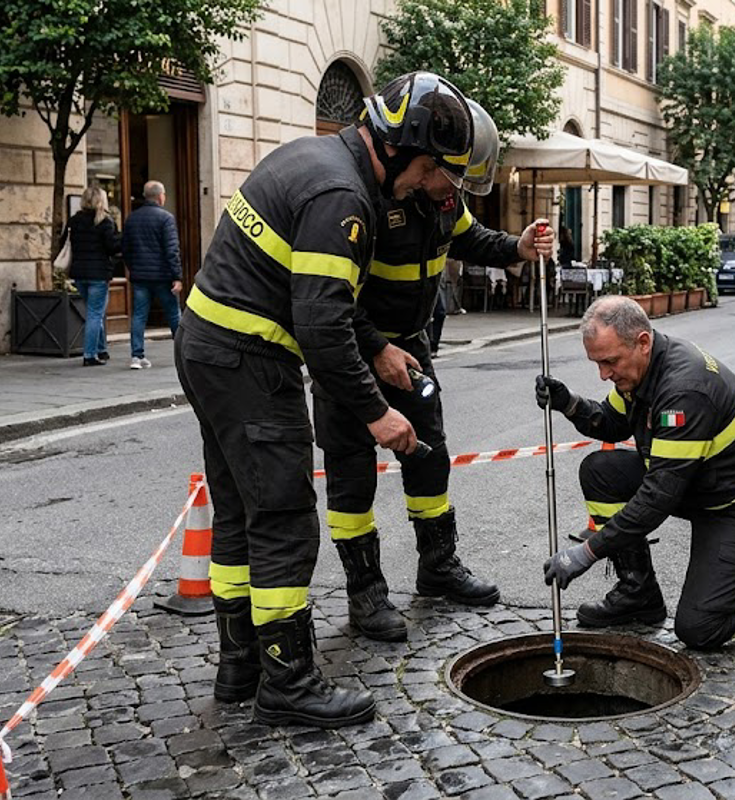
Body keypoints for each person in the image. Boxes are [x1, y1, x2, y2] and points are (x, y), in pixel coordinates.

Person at [175, 71, 475, 728]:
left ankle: (240, 666)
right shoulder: (343, 195)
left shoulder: (314, 160)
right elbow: (322, 324)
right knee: (283, 518)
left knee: (237, 514)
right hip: (249, 358)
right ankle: (288, 681)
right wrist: (376, 414)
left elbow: (319, 306)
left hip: (208, 344)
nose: (431, 184)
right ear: (398, 149)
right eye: (430, 168)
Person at [316, 98, 555, 642]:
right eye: (450, 181)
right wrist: (375, 347)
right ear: (423, 167)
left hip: (412, 349)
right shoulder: (367, 201)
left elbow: (474, 240)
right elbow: (328, 302)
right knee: (350, 475)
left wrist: (517, 246)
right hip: (353, 352)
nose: (456, 194)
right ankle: (366, 592)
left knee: (431, 460)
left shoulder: (445, 201)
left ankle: (437, 566)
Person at [536, 296, 735, 651]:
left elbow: (657, 498)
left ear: (643, 342)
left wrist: (585, 553)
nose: (604, 374)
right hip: (701, 484)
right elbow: (613, 422)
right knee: (601, 471)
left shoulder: (684, 390)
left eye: (610, 361)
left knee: (700, 628)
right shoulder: (644, 371)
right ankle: (639, 593)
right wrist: (568, 402)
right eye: (597, 364)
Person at [122, 180, 182, 369]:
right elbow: (171, 250)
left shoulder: (132, 218)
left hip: (140, 277)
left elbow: (126, 249)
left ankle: (136, 356)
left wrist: (133, 268)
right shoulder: (166, 218)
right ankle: (182, 353)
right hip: (163, 276)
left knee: (139, 315)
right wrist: (177, 276)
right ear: (160, 196)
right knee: (173, 314)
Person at [66, 186, 120, 366]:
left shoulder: (74, 220)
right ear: (101, 201)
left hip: (79, 273)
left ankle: (101, 349)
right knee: (95, 313)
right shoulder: (105, 221)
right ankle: (89, 354)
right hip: (98, 274)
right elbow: (112, 247)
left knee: (94, 311)